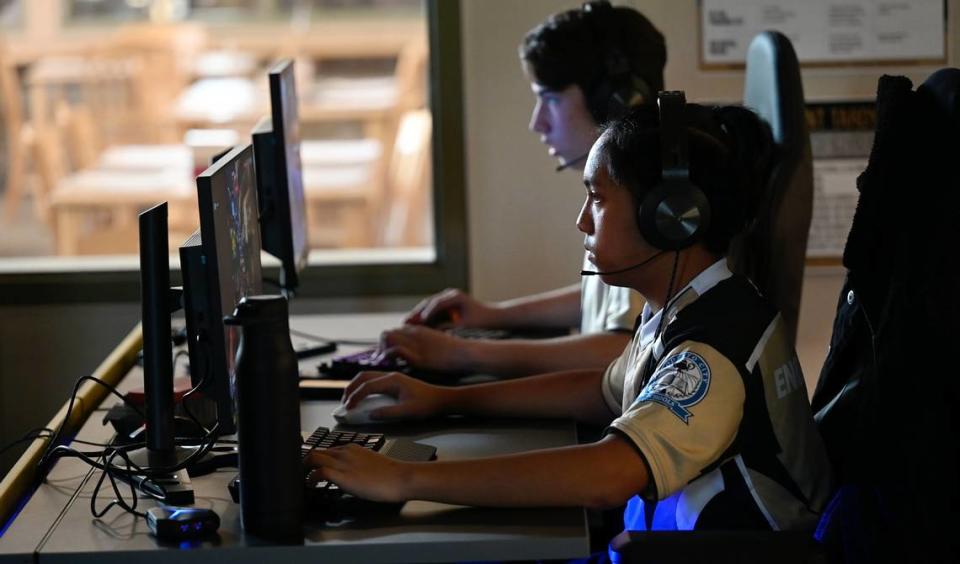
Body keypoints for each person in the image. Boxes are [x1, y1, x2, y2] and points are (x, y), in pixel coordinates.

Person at [307, 100, 834, 549]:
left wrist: (405, 479)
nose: (582, 220)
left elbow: (608, 475)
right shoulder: (684, 306)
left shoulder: (714, 349)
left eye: (599, 199)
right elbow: (604, 391)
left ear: (671, 218)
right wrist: (444, 399)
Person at [378, 1, 666, 377]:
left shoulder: (647, 207)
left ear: (615, 102)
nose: (537, 123)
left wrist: (466, 354)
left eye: (549, 99)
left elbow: (621, 347)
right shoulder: (622, 187)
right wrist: (492, 314)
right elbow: (607, 304)